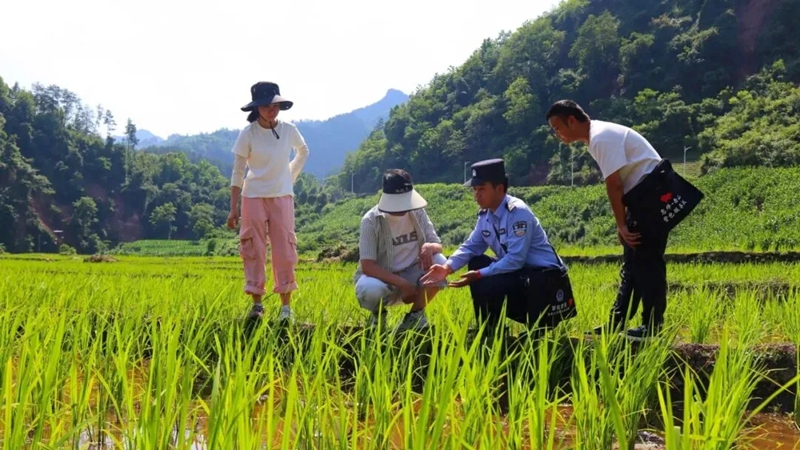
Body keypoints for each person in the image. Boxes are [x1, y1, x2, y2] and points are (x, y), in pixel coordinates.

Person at [546, 99, 667, 340]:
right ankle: (617, 321)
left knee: (647, 263)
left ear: (571, 121)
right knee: (632, 265)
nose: (556, 135)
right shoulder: (597, 136)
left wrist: (622, 224)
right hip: (643, 198)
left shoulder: (600, 137)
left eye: (557, 128)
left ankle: (652, 326)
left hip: (651, 197)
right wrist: (623, 222)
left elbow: (614, 184)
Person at [421, 159, 575, 337]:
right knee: (477, 261)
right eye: (474, 190)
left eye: (482, 189)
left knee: (486, 274)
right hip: (522, 276)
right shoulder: (486, 216)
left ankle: (537, 329)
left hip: (544, 281)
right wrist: (447, 268)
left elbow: (516, 260)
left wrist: (480, 274)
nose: (476, 195)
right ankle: (491, 330)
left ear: (499, 188)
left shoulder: (518, 213)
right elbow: (471, 246)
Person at [227, 81, 309, 322]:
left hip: (282, 196)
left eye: (274, 105)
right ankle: (257, 305)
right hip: (252, 196)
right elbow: (238, 171)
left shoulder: (289, 129)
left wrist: (289, 176)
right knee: (254, 248)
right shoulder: (248, 134)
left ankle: (286, 308)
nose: (271, 110)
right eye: (265, 106)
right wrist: (233, 208)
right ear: (257, 108)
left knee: (284, 247)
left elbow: (303, 151)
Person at [354, 169, 448, 332]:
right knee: (369, 288)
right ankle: (378, 316)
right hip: (384, 280)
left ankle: (415, 316)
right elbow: (368, 265)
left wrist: (429, 247)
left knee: (441, 262)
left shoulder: (417, 211)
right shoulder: (370, 221)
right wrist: (402, 284)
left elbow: (437, 244)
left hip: (413, 273)